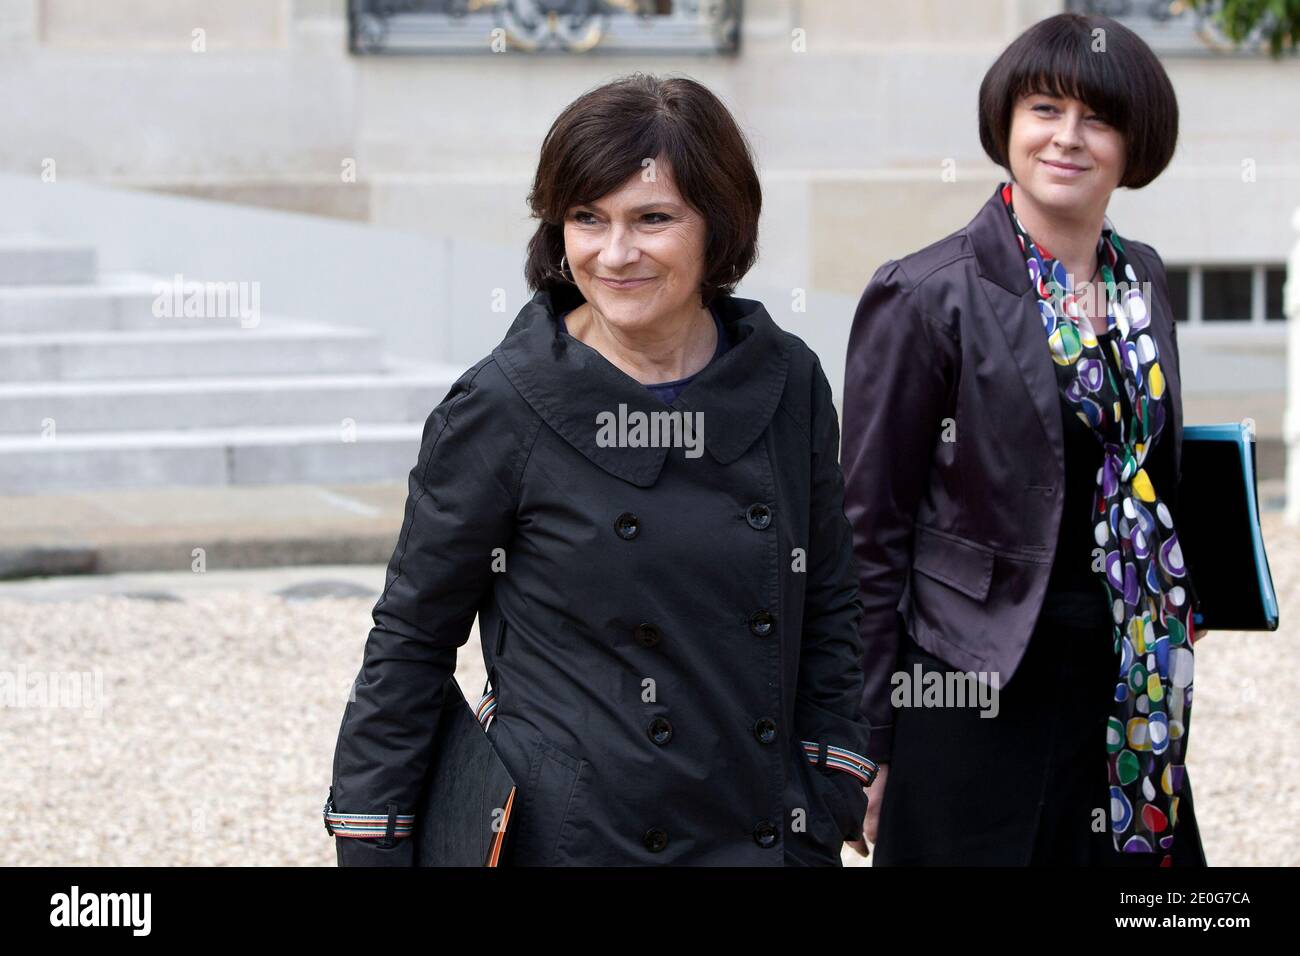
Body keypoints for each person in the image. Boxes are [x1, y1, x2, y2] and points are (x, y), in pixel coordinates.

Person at [325, 73, 875, 866]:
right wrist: (372, 841)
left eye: (652, 219)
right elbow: (412, 638)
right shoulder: (503, 405)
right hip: (577, 841)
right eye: (587, 218)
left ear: (717, 226)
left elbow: (828, 597)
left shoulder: (786, 381)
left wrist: (831, 777)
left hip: (762, 832)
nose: (614, 254)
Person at [842, 13, 1206, 866]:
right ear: (1007, 122)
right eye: (1045, 109)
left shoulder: (1142, 278)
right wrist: (867, 745)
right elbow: (867, 529)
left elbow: (1153, 465)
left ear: (1133, 143)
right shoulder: (925, 293)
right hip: (973, 678)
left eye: (1098, 118)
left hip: (1130, 675)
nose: (1066, 138)